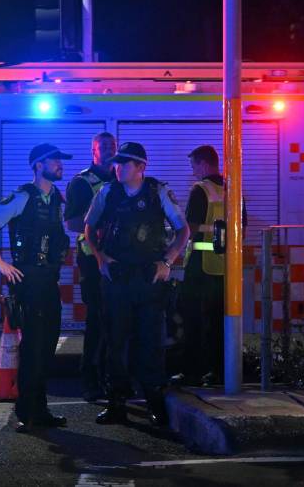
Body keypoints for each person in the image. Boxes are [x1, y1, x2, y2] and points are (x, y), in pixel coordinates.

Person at [84, 142, 189, 426]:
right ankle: (116, 403)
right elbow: (89, 227)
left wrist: (167, 262)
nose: (117, 167)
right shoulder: (108, 191)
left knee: (151, 342)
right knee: (115, 341)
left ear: (141, 167)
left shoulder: (158, 192)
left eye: (124, 163)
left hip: (148, 278)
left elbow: (183, 230)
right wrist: (100, 257)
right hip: (117, 279)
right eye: (116, 163)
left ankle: (155, 401)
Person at [0, 143, 72, 433]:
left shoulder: (57, 197)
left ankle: (40, 410)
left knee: (46, 347)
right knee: (32, 348)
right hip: (28, 280)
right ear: (38, 165)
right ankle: (27, 413)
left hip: (48, 280)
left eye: (60, 160)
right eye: (54, 161)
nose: (60, 164)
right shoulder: (22, 197)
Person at [64, 132, 117, 402]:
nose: (108, 150)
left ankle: (115, 380)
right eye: (103, 146)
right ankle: (91, 381)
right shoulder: (82, 183)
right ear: (93, 151)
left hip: (120, 262)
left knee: (118, 323)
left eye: (112, 146)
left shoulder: (122, 180)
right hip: (92, 261)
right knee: (96, 321)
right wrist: (98, 222)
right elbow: (72, 224)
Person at [178, 145, 227, 387]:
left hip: (200, 266)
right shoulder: (234, 188)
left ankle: (192, 372)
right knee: (219, 322)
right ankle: (218, 371)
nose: (193, 171)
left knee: (193, 321)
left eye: (194, 166)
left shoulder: (200, 190)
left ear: (204, 164)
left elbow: (190, 227)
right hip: (225, 267)